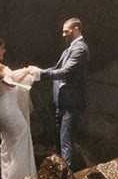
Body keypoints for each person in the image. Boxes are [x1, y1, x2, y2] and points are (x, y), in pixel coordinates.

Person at [0, 36, 41, 179]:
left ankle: (17, 177)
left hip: (4, 105)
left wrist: (25, 71)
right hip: (7, 106)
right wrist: (27, 71)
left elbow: (11, 76)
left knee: (12, 140)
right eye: (2, 48)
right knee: (22, 134)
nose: (4, 51)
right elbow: (13, 82)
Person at [36, 17, 88, 168]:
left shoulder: (80, 49)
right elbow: (56, 68)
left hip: (71, 102)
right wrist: (37, 72)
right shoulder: (69, 49)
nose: (63, 34)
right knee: (59, 142)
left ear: (76, 29)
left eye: (66, 31)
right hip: (62, 102)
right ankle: (61, 174)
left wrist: (40, 74)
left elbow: (65, 72)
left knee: (66, 142)